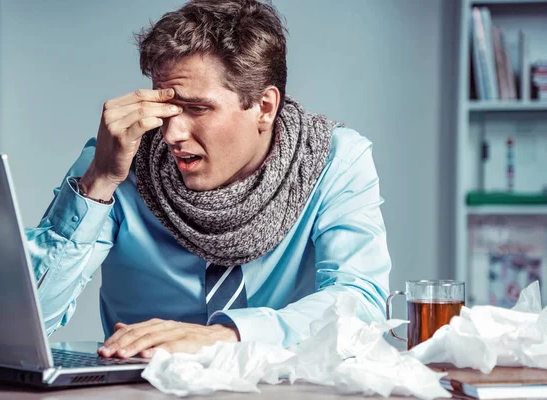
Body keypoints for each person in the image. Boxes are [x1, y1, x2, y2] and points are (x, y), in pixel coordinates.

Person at [28, 0, 391, 360]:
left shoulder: (335, 159)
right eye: (166, 107)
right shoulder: (116, 159)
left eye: (198, 108)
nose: (172, 134)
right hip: (141, 388)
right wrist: (99, 182)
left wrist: (227, 336)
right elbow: (31, 320)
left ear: (264, 107)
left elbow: (359, 305)